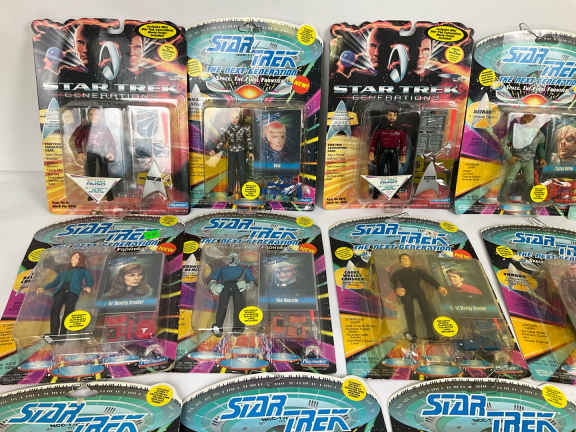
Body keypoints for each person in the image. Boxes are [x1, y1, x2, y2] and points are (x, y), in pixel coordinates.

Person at [390, 254, 447, 341]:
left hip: (419, 291)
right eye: (402, 259)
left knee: (427, 312)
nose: (405, 261)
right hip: (406, 293)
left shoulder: (417, 271)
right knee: (409, 314)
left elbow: (428, 278)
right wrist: (397, 289)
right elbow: (393, 282)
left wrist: (439, 287)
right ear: (400, 262)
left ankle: (431, 334)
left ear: (410, 261)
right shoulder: (397, 273)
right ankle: (412, 335)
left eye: (406, 259)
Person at [38, 251, 93, 340]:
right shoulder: (64, 270)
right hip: (60, 291)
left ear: (81, 260)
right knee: (55, 311)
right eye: (74, 256)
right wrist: (44, 288)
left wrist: (88, 286)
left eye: (77, 257)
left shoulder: (83, 270)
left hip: (73, 292)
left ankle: (62, 335)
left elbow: (89, 278)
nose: (74, 258)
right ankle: (54, 334)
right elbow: (55, 282)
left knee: (68, 313)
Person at [70, 107, 117, 200]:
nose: (94, 116)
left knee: (105, 173)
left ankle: (109, 194)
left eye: (96, 114)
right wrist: (80, 152)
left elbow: (111, 141)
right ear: (88, 116)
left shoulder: (104, 128)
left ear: (100, 116)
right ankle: (92, 194)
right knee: (91, 173)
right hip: (91, 152)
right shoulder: (85, 128)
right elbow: (78, 140)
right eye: (91, 114)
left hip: (102, 152)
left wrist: (111, 151)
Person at [499, 113, 547, 203]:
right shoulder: (516, 131)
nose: (528, 120)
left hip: (529, 160)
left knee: (530, 180)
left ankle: (527, 197)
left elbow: (540, 147)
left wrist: (542, 158)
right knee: (509, 178)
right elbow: (503, 143)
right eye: (526, 117)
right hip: (516, 159)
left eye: (532, 118)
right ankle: (502, 197)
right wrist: (509, 157)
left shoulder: (539, 134)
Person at [208, 252, 256, 337]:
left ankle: (238, 326)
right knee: (222, 306)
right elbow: (212, 280)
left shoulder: (244, 269)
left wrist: (246, 285)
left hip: (238, 287)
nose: (233, 259)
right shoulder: (221, 269)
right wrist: (213, 286)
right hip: (224, 287)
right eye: (231, 257)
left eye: (235, 257)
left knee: (239, 305)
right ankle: (218, 326)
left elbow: (253, 282)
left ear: (239, 259)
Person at [211, 109, 253, 197]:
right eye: (232, 117)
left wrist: (251, 151)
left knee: (242, 171)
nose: (234, 119)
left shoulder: (245, 127)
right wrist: (215, 150)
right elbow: (222, 141)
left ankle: (243, 190)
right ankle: (230, 189)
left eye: (236, 117)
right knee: (231, 171)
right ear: (229, 117)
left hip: (241, 151)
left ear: (240, 117)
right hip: (231, 151)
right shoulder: (227, 128)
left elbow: (249, 140)